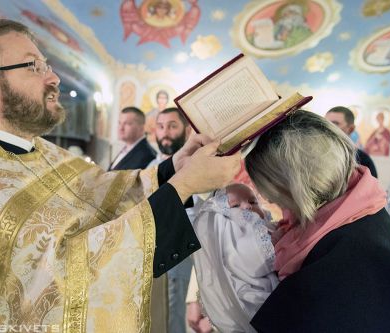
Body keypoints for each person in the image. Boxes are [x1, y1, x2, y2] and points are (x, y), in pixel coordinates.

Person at [0, 19, 241, 332]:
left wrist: (175, 169)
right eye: (33, 66)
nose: (53, 79)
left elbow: (104, 191)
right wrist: (186, 186)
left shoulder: (39, 151)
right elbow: (63, 282)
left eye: (47, 65)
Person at [244, 110, 390, 332]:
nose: (268, 199)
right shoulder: (368, 214)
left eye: (268, 191)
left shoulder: (328, 274)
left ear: (291, 187)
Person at [190, 183, 278, 333]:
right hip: (248, 303)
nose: (247, 207)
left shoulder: (269, 228)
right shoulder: (226, 236)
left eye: (253, 201)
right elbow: (248, 258)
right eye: (235, 205)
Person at [148, 107, 192, 333]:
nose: (165, 132)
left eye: (172, 126)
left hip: (184, 263)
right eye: (161, 126)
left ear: (186, 130)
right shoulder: (148, 170)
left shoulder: (194, 168)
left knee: (177, 319)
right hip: (151, 262)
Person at [325, 106, 378, 177]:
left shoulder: (363, 160)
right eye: (325, 122)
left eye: (335, 124)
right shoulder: (314, 153)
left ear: (351, 129)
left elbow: (371, 187)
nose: (327, 127)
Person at [108, 106, 156, 170]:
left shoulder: (147, 155)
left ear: (141, 127)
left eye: (127, 123)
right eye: (119, 123)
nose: (121, 128)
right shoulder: (127, 147)